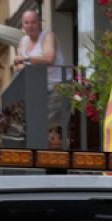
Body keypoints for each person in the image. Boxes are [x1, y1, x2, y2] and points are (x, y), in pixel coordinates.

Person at [13, 9, 69, 146]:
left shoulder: (48, 36)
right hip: (39, 88)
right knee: (32, 123)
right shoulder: (23, 41)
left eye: (33, 22)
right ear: (23, 25)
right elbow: (18, 67)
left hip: (58, 87)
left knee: (52, 126)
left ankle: (55, 159)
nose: (30, 26)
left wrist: (26, 59)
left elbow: (49, 57)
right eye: (27, 23)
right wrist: (23, 63)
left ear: (39, 24)